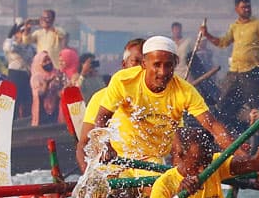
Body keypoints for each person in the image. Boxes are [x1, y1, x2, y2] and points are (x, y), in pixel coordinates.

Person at [83, 36, 235, 171]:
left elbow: (212, 125)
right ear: (144, 64)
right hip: (116, 157)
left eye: (168, 65)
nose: (162, 72)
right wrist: (105, 146)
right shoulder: (123, 81)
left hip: (151, 161)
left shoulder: (185, 91)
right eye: (157, 65)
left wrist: (237, 152)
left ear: (175, 64)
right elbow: (102, 118)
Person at [201, 0, 259, 131]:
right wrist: (207, 35)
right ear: (236, 9)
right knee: (223, 102)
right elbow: (222, 43)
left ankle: (258, 136)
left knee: (255, 105)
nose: (247, 9)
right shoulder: (234, 26)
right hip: (235, 71)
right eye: (243, 7)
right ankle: (224, 132)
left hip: (251, 70)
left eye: (248, 7)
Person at [74, 39, 144, 172]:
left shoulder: (162, 98)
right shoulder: (100, 97)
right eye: (135, 62)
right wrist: (89, 177)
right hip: (114, 173)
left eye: (145, 63)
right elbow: (83, 145)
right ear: (124, 65)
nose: (140, 69)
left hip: (148, 171)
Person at [3, 19, 36, 118]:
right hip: (15, 75)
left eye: (26, 32)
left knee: (27, 102)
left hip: (27, 75)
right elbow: (9, 47)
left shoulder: (31, 47)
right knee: (14, 102)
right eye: (22, 32)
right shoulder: (11, 44)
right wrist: (12, 36)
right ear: (17, 33)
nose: (24, 34)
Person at [29, 51, 67, 126]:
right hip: (41, 110)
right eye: (45, 61)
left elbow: (61, 89)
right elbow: (40, 94)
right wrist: (46, 84)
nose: (48, 62)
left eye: (49, 60)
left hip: (55, 109)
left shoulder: (57, 73)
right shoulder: (36, 78)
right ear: (39, 63)